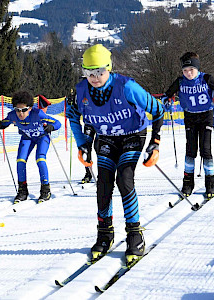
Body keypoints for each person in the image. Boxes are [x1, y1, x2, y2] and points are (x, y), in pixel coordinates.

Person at [67, 44, 164, 265]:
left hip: (132, 135)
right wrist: (83, 143)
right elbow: (74, 115)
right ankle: (105, 233)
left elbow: (158, 109)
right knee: (103, 183)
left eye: (100, 71)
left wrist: (155, 143)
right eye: (89, 73)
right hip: (106, 138)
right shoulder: (81, 91)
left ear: (109, 68)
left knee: (124, 178)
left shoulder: (127, 87)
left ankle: (135, 234)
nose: (94, 77)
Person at [0, 91, 61, 203]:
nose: (20, 113)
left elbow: (57, 123)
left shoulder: (38, 113)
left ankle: (45, 189)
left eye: (24, 110)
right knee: (20, 160)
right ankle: (22, 191)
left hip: (41, 137)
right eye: (17, 110)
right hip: (27, 137)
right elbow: (4, 122)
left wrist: (51, 127)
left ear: (29, 108)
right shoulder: (12, 115)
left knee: (40, 159)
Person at [162, 52, 214, 200]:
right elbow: (167, 95)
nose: (188, 73)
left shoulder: (206, 78)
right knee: (191, 150)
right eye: (185, 70)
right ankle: (187, 183)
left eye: (191, 70)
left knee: (205, 149)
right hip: (190, 116)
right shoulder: (180, 82)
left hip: (206, 116)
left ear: (197, 68)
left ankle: (210, 182)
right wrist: (168, 101)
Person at [66, 89, 96, 184]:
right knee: (86, 147)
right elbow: (73, 117)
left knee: (101, 148)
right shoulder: (80, 95)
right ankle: (88, 173)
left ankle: (106, 174)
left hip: (104, 125)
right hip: (89, 124)